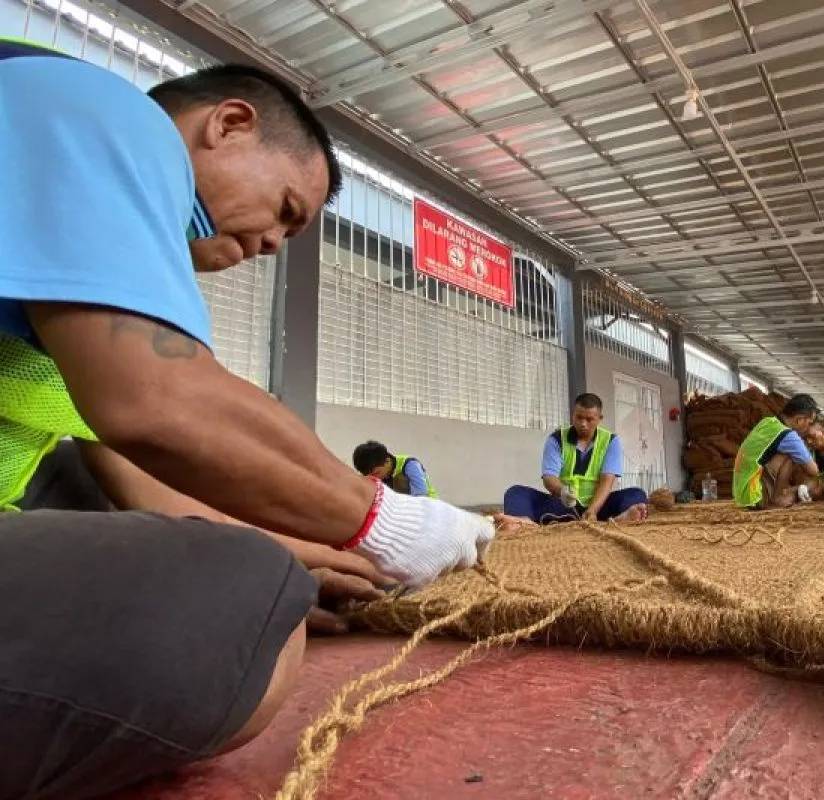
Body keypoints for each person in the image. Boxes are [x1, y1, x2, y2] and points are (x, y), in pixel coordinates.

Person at [0, 47, 494, 799]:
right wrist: (387, 527)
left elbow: (147, 480)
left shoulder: (67, 302)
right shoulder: (100, 110)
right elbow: (163, 407)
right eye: (285, 213)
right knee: (242, 596)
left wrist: (313, 551)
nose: (269, 245)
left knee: (236, 556)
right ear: (228, 125)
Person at [503, 393, 648, 524]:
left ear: (599, 419)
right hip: (564, 506)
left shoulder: (611, 440)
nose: (583, 423)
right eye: (579, 417)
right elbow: (549, 478)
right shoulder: (556, 439)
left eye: (589, 419)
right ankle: (522, 522)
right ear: (573, 415)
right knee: (515, 492)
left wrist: (592, 511)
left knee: (636, 494)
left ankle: (620, 518)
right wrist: (563, 491)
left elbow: (607, 482)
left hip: (599, 505)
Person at [732, 393, 820, 509]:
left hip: (741, 495)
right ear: (799, 420)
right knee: (793, 457)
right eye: (809, 423)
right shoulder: (788, 436)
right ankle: (778, 498)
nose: (809, 427)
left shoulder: (767, 422)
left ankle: (779, 494)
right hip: (754, 497)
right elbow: (814, 470)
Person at [352, 440, 438, 497]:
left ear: (387, 461)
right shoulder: (376, 471)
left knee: (399, 480)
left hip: (428, 507)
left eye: (376, 473)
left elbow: (421, 493)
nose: (375, 478)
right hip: (403, 511)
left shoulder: (410, 464)